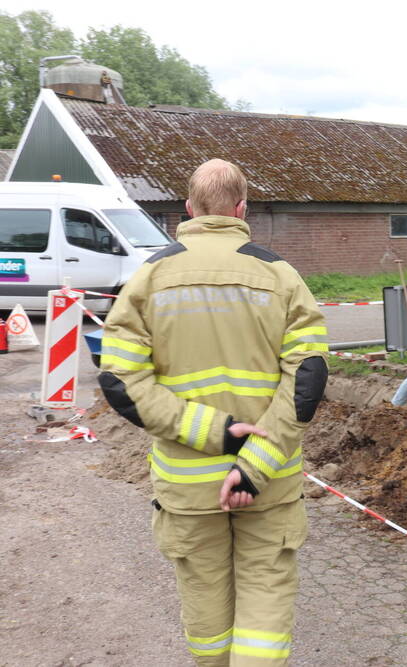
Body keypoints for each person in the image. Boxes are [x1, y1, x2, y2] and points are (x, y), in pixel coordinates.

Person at [99, 159, 328, 665]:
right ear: (241, 208)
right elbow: (307, 379)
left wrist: (215, 434)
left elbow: (119, 380)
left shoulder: (149, 277)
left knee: (206, 613)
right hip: (267, 483)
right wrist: (253, 463)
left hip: (187, 486)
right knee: (264, 611)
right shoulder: (281, 275)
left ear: (188, 208)